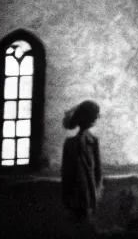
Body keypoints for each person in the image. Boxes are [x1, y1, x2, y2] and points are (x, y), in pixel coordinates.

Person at [61, 100, 103, 235]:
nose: (95, 119)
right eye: (93, 116)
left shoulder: (93, 141)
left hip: (90, 194)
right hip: (76, 195)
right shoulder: (70, 144)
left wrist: (96, 192)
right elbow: (66, 173)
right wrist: (68, 198)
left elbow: (98, 172)